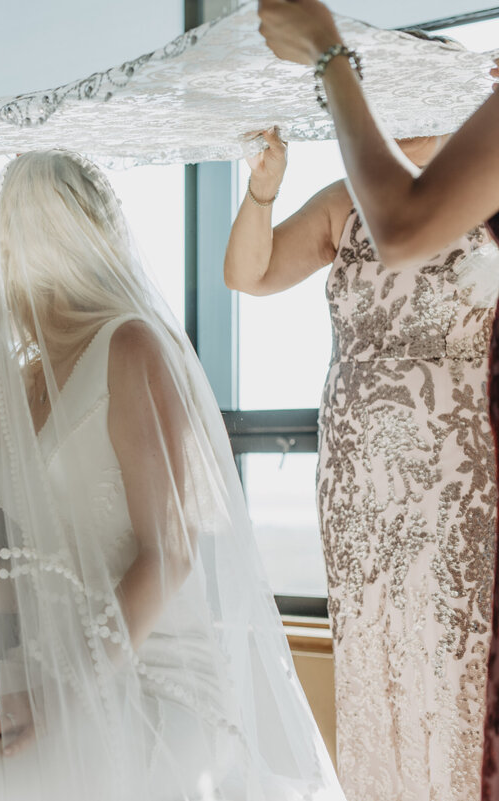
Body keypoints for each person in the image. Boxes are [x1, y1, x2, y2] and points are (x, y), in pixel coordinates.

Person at [0, 151, 344, 800]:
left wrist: (64, 693)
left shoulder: (132, 343)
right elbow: (54, 563)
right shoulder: (20, 374)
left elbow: (168, 553)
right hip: (49, 657)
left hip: (155, 669)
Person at [255, 4, 499, 797]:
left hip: (463, 463)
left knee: (462, 657)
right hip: (361, 466)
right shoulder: (344, 195)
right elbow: (250, 274)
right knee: (382, 653)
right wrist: (262, 193)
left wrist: (330, 54)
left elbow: (403, 225)